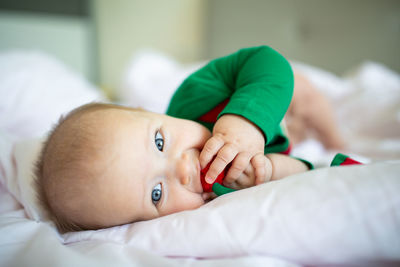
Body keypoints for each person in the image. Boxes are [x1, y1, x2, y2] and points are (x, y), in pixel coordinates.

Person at [35, 46, 322, 233]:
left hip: (284, 98)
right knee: (294, 142)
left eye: (159, 142)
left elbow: (265, 60)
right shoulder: (217, 198)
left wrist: (245, 123)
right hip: (284, 142)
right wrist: (270, 171)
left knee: (309, 98)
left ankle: (333, 134)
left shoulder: (195, 95)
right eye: (156, 193)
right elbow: (308, 172)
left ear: (145, 112)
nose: (184, 170)